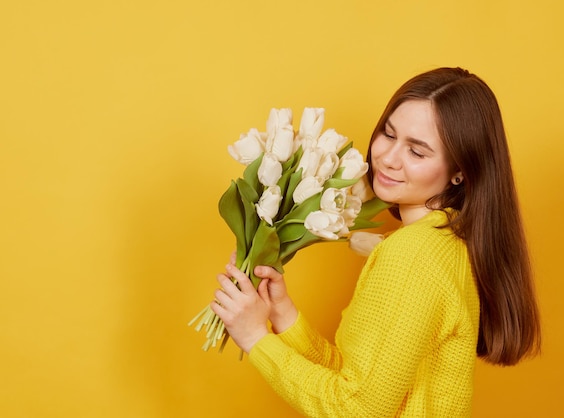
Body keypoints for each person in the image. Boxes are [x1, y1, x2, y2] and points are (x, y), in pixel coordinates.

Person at [210, 67, 541, 417]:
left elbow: (357, 410)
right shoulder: (444, 242)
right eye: (389, 133)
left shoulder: (413, 254)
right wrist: (283, 314)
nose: (388, 157)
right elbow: (360, 382)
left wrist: (255, 340)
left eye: (417, 151)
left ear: (461, 171)